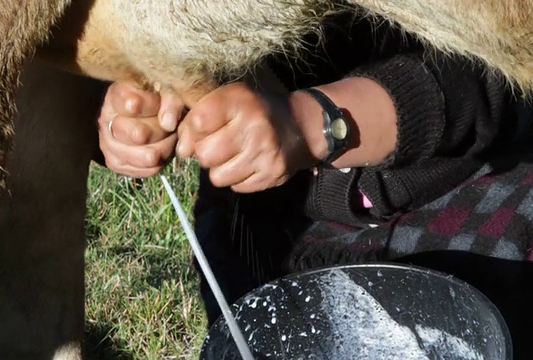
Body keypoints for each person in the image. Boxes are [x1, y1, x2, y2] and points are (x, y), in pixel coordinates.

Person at [97, 11, 533, 357]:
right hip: (270, 231)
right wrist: (133, 113)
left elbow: (504, 67)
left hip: (471, 213)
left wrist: (316, 123)